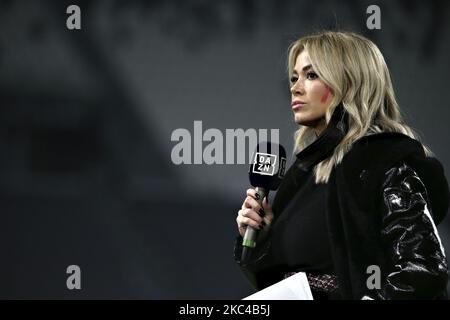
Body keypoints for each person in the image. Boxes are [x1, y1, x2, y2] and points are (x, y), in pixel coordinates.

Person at [234, 31, 449, 300]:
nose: (295, 87)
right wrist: (262, 239)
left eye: (311, 75)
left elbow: (424, 270)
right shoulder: (303, 174)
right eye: (294, 77)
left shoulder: (383, 163)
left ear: (349, 83)